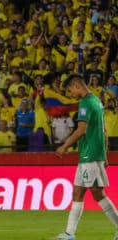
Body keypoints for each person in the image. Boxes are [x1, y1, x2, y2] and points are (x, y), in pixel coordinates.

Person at [55, 74, 118, 240]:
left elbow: (81, 130)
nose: (71, 94)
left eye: (70, 90)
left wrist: (64, 146)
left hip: (90, 154)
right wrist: (105, 154)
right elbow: (103, 129)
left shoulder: (85, 103)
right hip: (92, 154)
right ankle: (69, 234)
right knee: (79, 192)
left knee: (97, 193)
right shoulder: (96, 101)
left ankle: (69, 234)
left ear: (77, 85)